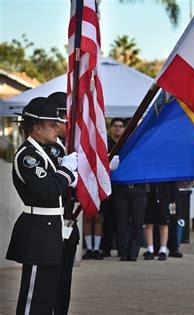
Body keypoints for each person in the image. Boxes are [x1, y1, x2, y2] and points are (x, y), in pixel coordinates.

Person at [6, 97, 78, 314]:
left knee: (52, 294)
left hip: (54, 229)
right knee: (35, 297)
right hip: (38, 229)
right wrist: (66, 172)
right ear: (36, 127)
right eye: (52, 124)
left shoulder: (51, 150)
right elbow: (47, 190)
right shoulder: (28, 156)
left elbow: (65, 186)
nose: (58, 128)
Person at [47, 91, 82, 314]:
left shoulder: (63, 145)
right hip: (53, 221)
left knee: (63, 282)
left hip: (67, 221)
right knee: (52, 282)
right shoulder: (51, 148)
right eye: (65, 118)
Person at [101, 118, 125, 257]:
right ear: (110, 128)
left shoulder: (125, 144)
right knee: (108, 219)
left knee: (121, 220)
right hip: (108, 185)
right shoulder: (105, 143)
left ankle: (121, 248)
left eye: (121, 126)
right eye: (115, 126)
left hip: (122, 187)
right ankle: (106, 247)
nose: (118, 129)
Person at [143, 182, 179, 260]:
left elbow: (173, 183)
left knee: (163, 224)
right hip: (150, 197)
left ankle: (163, 250)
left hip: (164, 197)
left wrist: (173, 200)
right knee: (149, 223)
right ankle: (150, 249)